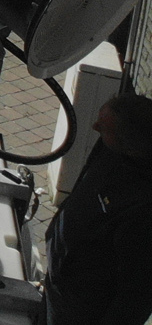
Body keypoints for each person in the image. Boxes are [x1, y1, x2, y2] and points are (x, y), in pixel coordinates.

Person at [44, 93, 152, 325]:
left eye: (104, 128)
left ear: (131, 146)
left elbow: (137, 293)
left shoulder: (142, 209)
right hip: (60, 279)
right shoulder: (110, 147)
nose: (95, 127)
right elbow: (84, 181)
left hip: (79, 309)